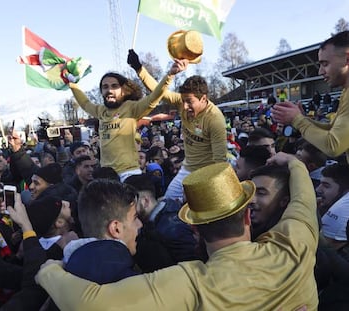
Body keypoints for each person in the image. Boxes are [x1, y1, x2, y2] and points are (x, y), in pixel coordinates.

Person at [36, 153, 318, 310]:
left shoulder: (190, 282)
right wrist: (295, 164)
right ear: (247, 214)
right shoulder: (294, 244)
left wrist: (48, 271)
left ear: (193, 227)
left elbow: (93, 305)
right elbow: (304, 202)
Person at [128, 50, 227, 202]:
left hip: (207, 173)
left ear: (204, 98)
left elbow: (220, 163)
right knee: (168, 204)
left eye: (190, 102)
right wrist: (139, 69)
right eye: (183, 101)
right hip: (187, 169)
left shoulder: (215, 120)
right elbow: (157, 90)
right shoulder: (183, 101)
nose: (185, 106)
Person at [68, 59, 187, 181]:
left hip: (129, 173)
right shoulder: (100, 111)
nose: (109, 90)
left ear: (123, 91)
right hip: (107, 175)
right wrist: (71, 83)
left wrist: (170, 75)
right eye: (105, 87)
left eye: (114, 86)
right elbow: (84, 103)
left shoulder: (131, 107)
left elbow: (154, 97)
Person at [272, 31, 349, 163]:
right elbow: (332, 129)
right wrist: (303, 119)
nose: (320, 71)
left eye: (325, 64)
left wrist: (298, 120)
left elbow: (333, 145)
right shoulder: (345, 92)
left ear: (347, 59)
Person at [124, 174, 206, 272]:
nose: (126, 208)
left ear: (145, 201)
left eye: (130, 203)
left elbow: (192, 268)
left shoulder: (172, 229)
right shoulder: (157, 221)